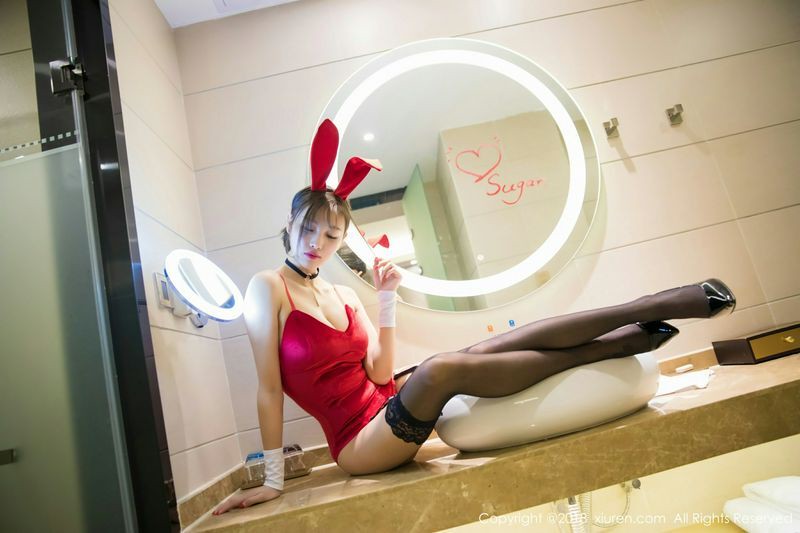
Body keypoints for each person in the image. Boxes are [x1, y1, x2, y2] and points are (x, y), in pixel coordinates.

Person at [212, 120, 735, 515]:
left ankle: (647, 311)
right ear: (291, 223)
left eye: (331, 235)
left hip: (385, 401)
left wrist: (386, 299)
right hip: (356, 442)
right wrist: (273, 480)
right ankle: (616, 343)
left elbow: (379, 372)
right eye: (309, 229)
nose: (317, 243)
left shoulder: (343, 295)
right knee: (441, 368)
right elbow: (269, 390)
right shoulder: (267, 288)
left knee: (475, 351)